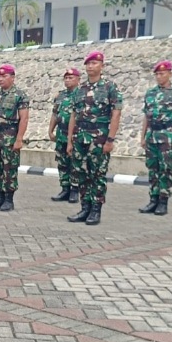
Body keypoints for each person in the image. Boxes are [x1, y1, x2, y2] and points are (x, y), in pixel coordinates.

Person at [66, 51, 122, 225]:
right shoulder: (80, 90)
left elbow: (116, 114)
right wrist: (69, 140)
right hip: (80, 137)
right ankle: (85, 208)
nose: (91, 66)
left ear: (102, 66)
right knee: (81, 173)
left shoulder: (109, 88)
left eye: (95, 63)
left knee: (97, 174)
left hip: (99, 138)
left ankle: (96, 210)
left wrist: (110, 140)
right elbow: (73, 116)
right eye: (88, 64)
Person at [0, 64, 30, 212]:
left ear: (13, 77)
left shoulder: (20, 95)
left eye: (4, 76)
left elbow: (24, 118)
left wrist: (19, 139)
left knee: (9, 169)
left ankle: (9, 199)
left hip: (9, 137)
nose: (1, 79)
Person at [138, 61, 172, 216]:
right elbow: (146, 116)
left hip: (168, 134)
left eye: (162, 73)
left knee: (165, 169)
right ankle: (153, 199)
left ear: (170, 73)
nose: (159, 76)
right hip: (152, 134)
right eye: (156, 74)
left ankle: (163, 201)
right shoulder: (150, 93)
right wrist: (143, 136)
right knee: (153, 168)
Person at [49, 68, 80, 203]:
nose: (67, 80)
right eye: (66, 78)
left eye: (71, 78)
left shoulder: (81, 95)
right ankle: (65, 188)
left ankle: (74, 190)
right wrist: (50, 130)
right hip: (61, 133)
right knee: (62, 163)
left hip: (75, 135)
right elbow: (55, 114)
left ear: (78, 79)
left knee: (74, 163)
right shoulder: (60, 96)